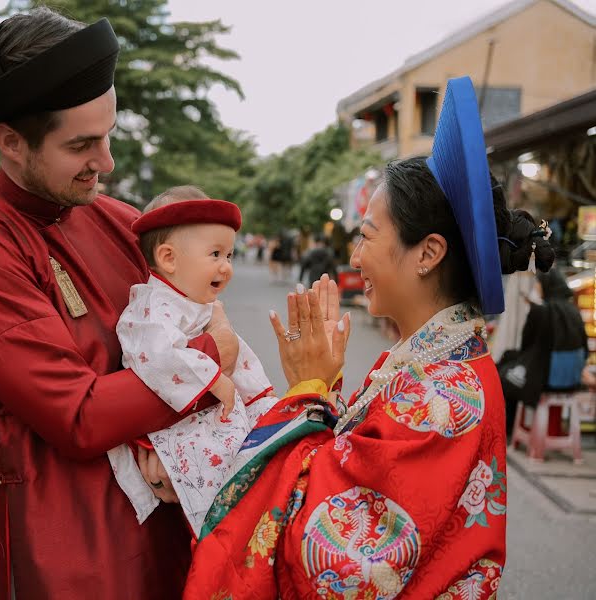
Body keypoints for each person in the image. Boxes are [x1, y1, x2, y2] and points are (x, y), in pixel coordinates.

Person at [181, 77, 555, 598]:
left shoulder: (444, 396)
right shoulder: (433, 367)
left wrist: (308, 394)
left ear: (427, 254)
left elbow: (339, 564)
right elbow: (357, 473)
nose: (356, 258)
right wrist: (319, 391)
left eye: (368, 236)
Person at [0, 9, 238, 599]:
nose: (107, 163)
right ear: (10, 142)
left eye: (108, 134)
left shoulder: (119, 221)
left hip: (170, 527)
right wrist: (207, 355)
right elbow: (80, 416)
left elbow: (199, 308)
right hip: (62, 557)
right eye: (82, 145)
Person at [107, 186, 277, 535]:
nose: (226, 267)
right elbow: (160, 357)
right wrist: (215, 378)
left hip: (201, 412)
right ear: (168, 258)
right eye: (215, 254)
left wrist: (257, 397)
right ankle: (227, 531)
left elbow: (235, 354)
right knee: (220, 481)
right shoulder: (151, 308)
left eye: (229, 255)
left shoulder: (191, 302)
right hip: (174, 424)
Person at [501, 268, 588, 437]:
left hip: (545, 380)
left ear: (547, 285)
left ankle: (508, 431)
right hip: (572, 381)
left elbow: (526, 346)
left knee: (504, 375)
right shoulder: (574, 311)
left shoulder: (541, 311)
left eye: (538, 283)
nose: (537, 287)